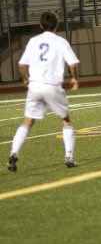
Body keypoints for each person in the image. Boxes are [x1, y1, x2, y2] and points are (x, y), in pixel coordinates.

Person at [7, 10, 80, 172]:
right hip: (52, 86)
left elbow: (21, 65)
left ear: (40, 25)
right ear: (57, 25)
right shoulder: (61, 42)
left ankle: (13, 153)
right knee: (65, 120)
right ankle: (69, 156)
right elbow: (73, 64)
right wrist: (74, 78)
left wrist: (25, 79)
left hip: (35, 86)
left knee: (27, 121)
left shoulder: (33, 41)